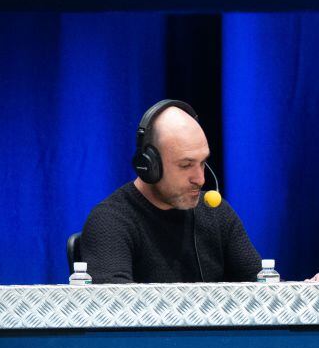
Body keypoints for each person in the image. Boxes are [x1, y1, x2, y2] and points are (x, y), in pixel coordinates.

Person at [80, 99, 262, 283]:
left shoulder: (216, 213)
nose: (200, 179)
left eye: (203, 163)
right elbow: (116, 306)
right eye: (186, 165)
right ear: (149, 166)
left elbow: (263, 292)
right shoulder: (109, 222)